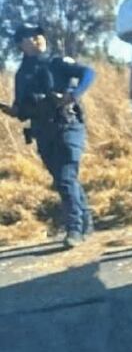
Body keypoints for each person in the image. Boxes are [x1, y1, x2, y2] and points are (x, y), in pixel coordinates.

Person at [0, 24, 96, 248]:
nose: (37, 38)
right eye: (30, 36)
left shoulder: (57, 62)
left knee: (65, 178)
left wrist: (74, 95)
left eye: (38, 35)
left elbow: (89, 73)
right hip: (43, 132)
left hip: (68, 126)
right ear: (21, 44)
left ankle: (74, 229)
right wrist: (12, 110)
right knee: (64, 179)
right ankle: (86, 222)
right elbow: (21, 108)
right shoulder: (22, 74)